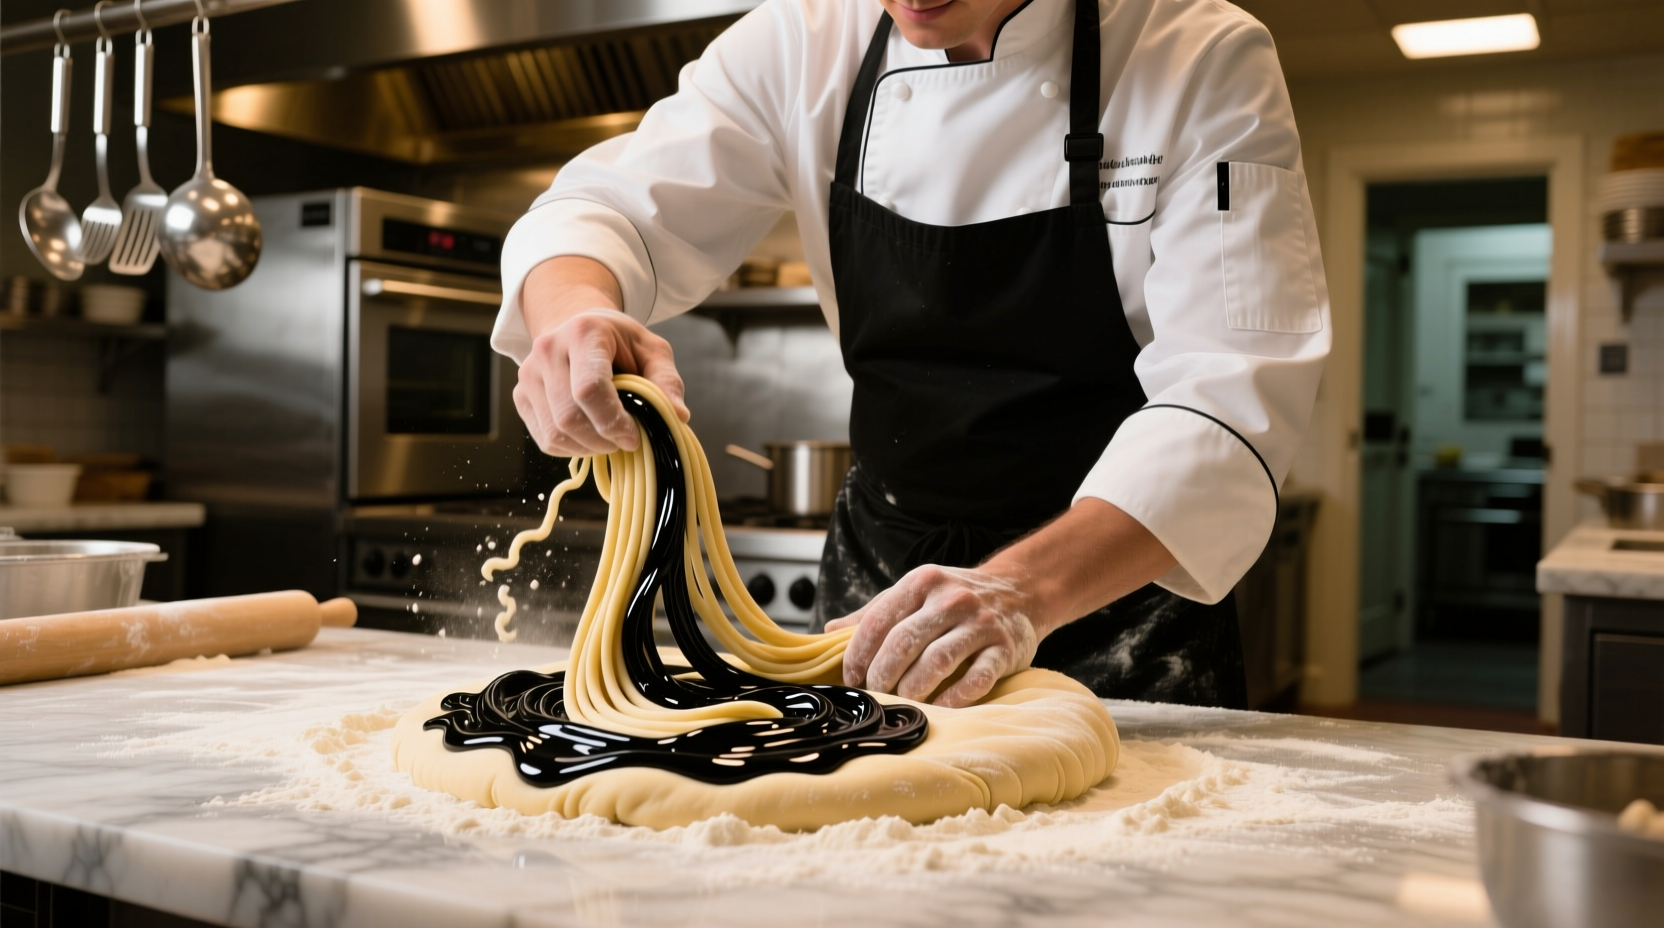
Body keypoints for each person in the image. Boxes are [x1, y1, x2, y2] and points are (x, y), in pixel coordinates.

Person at [491, 0, 1330, 711]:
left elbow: (1231, 394)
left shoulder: (1196, 53)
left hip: (1119, 591)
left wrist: (1024, 591)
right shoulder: (802, 41)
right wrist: (576, 310)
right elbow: (608, 208)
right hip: (879, 586)